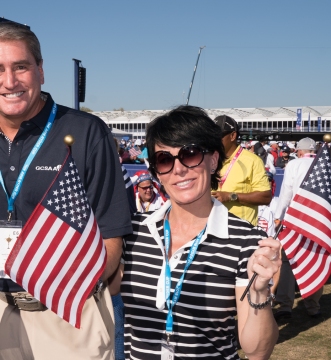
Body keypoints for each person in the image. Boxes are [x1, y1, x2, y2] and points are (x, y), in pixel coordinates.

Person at [0, 22, 132, 359]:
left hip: (71, 316)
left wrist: (67, 285)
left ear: (40, 71)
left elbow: (111, 239)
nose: (10, 81)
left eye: (21, 66)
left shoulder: (87, 133)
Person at [115, 105, 280, 360]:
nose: (178, 169)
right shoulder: (133, 231)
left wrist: (259, 293)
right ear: (157, 172)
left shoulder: (246, 241)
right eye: (165, 159)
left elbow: (257, 352)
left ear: (213, 160)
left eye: (189, 155)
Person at [272, 137, 323, 319]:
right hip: (318, 220)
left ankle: (285, 305)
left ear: (299, 151)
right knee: (316, 259)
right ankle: (313, 306)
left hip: (296, 218)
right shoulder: (325, 164)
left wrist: (278, 217)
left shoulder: (294, 165)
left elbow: (285, 193)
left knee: (287, 262)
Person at [211, 115, 271, 226]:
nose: (213, 140)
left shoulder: (252, 161)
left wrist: (230, 196)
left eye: (217, 136)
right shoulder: (208, 159)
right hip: (212, 229)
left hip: (242, 232)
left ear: (232, 136)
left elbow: (265, 197)